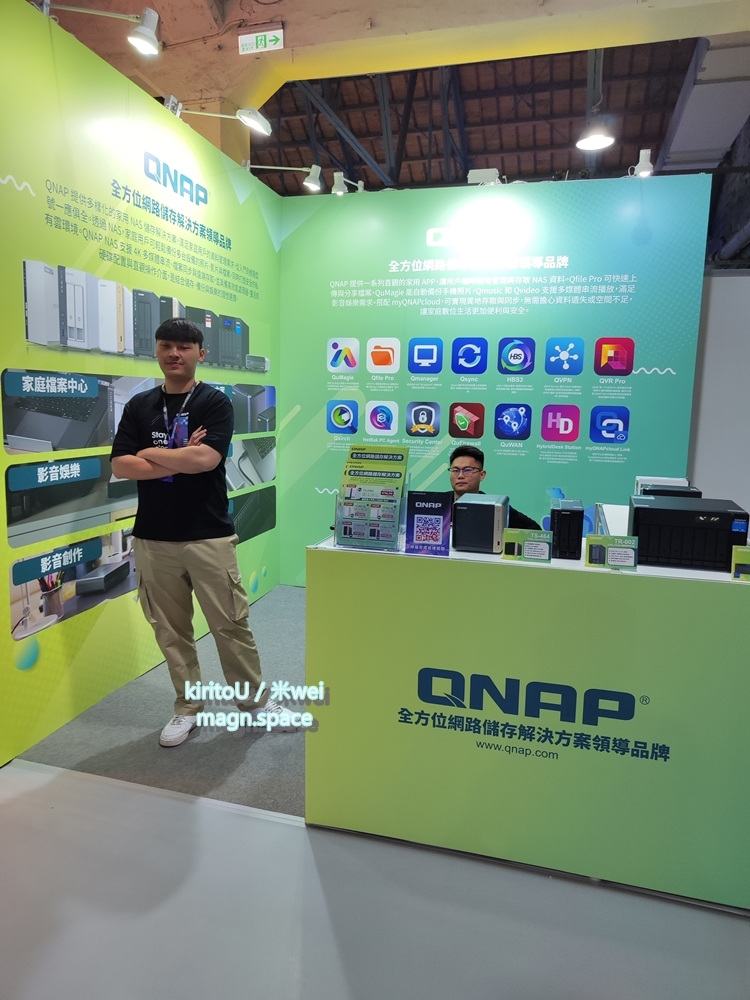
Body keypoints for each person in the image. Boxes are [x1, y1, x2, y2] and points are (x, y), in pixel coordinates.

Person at [111, 317, 269, 747]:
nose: (174, 354)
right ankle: (187, 707)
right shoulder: (139, 405)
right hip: (153, 538)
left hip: (208, 535)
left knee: (230, 624)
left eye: (183, 347)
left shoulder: (215, 402)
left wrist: (151, 452)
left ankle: (254, 702)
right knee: (171, 631)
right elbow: (121, 465)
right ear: (157, 351)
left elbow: (206, 461)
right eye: (166, 345)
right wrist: (179, 452)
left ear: (201, 353)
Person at [448, 445, 541, 529]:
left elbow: (534, 528)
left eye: (467, 470)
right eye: (455, 470)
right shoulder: (440, 502)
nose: (460, 475)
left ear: (482, 475)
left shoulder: (494, 507)